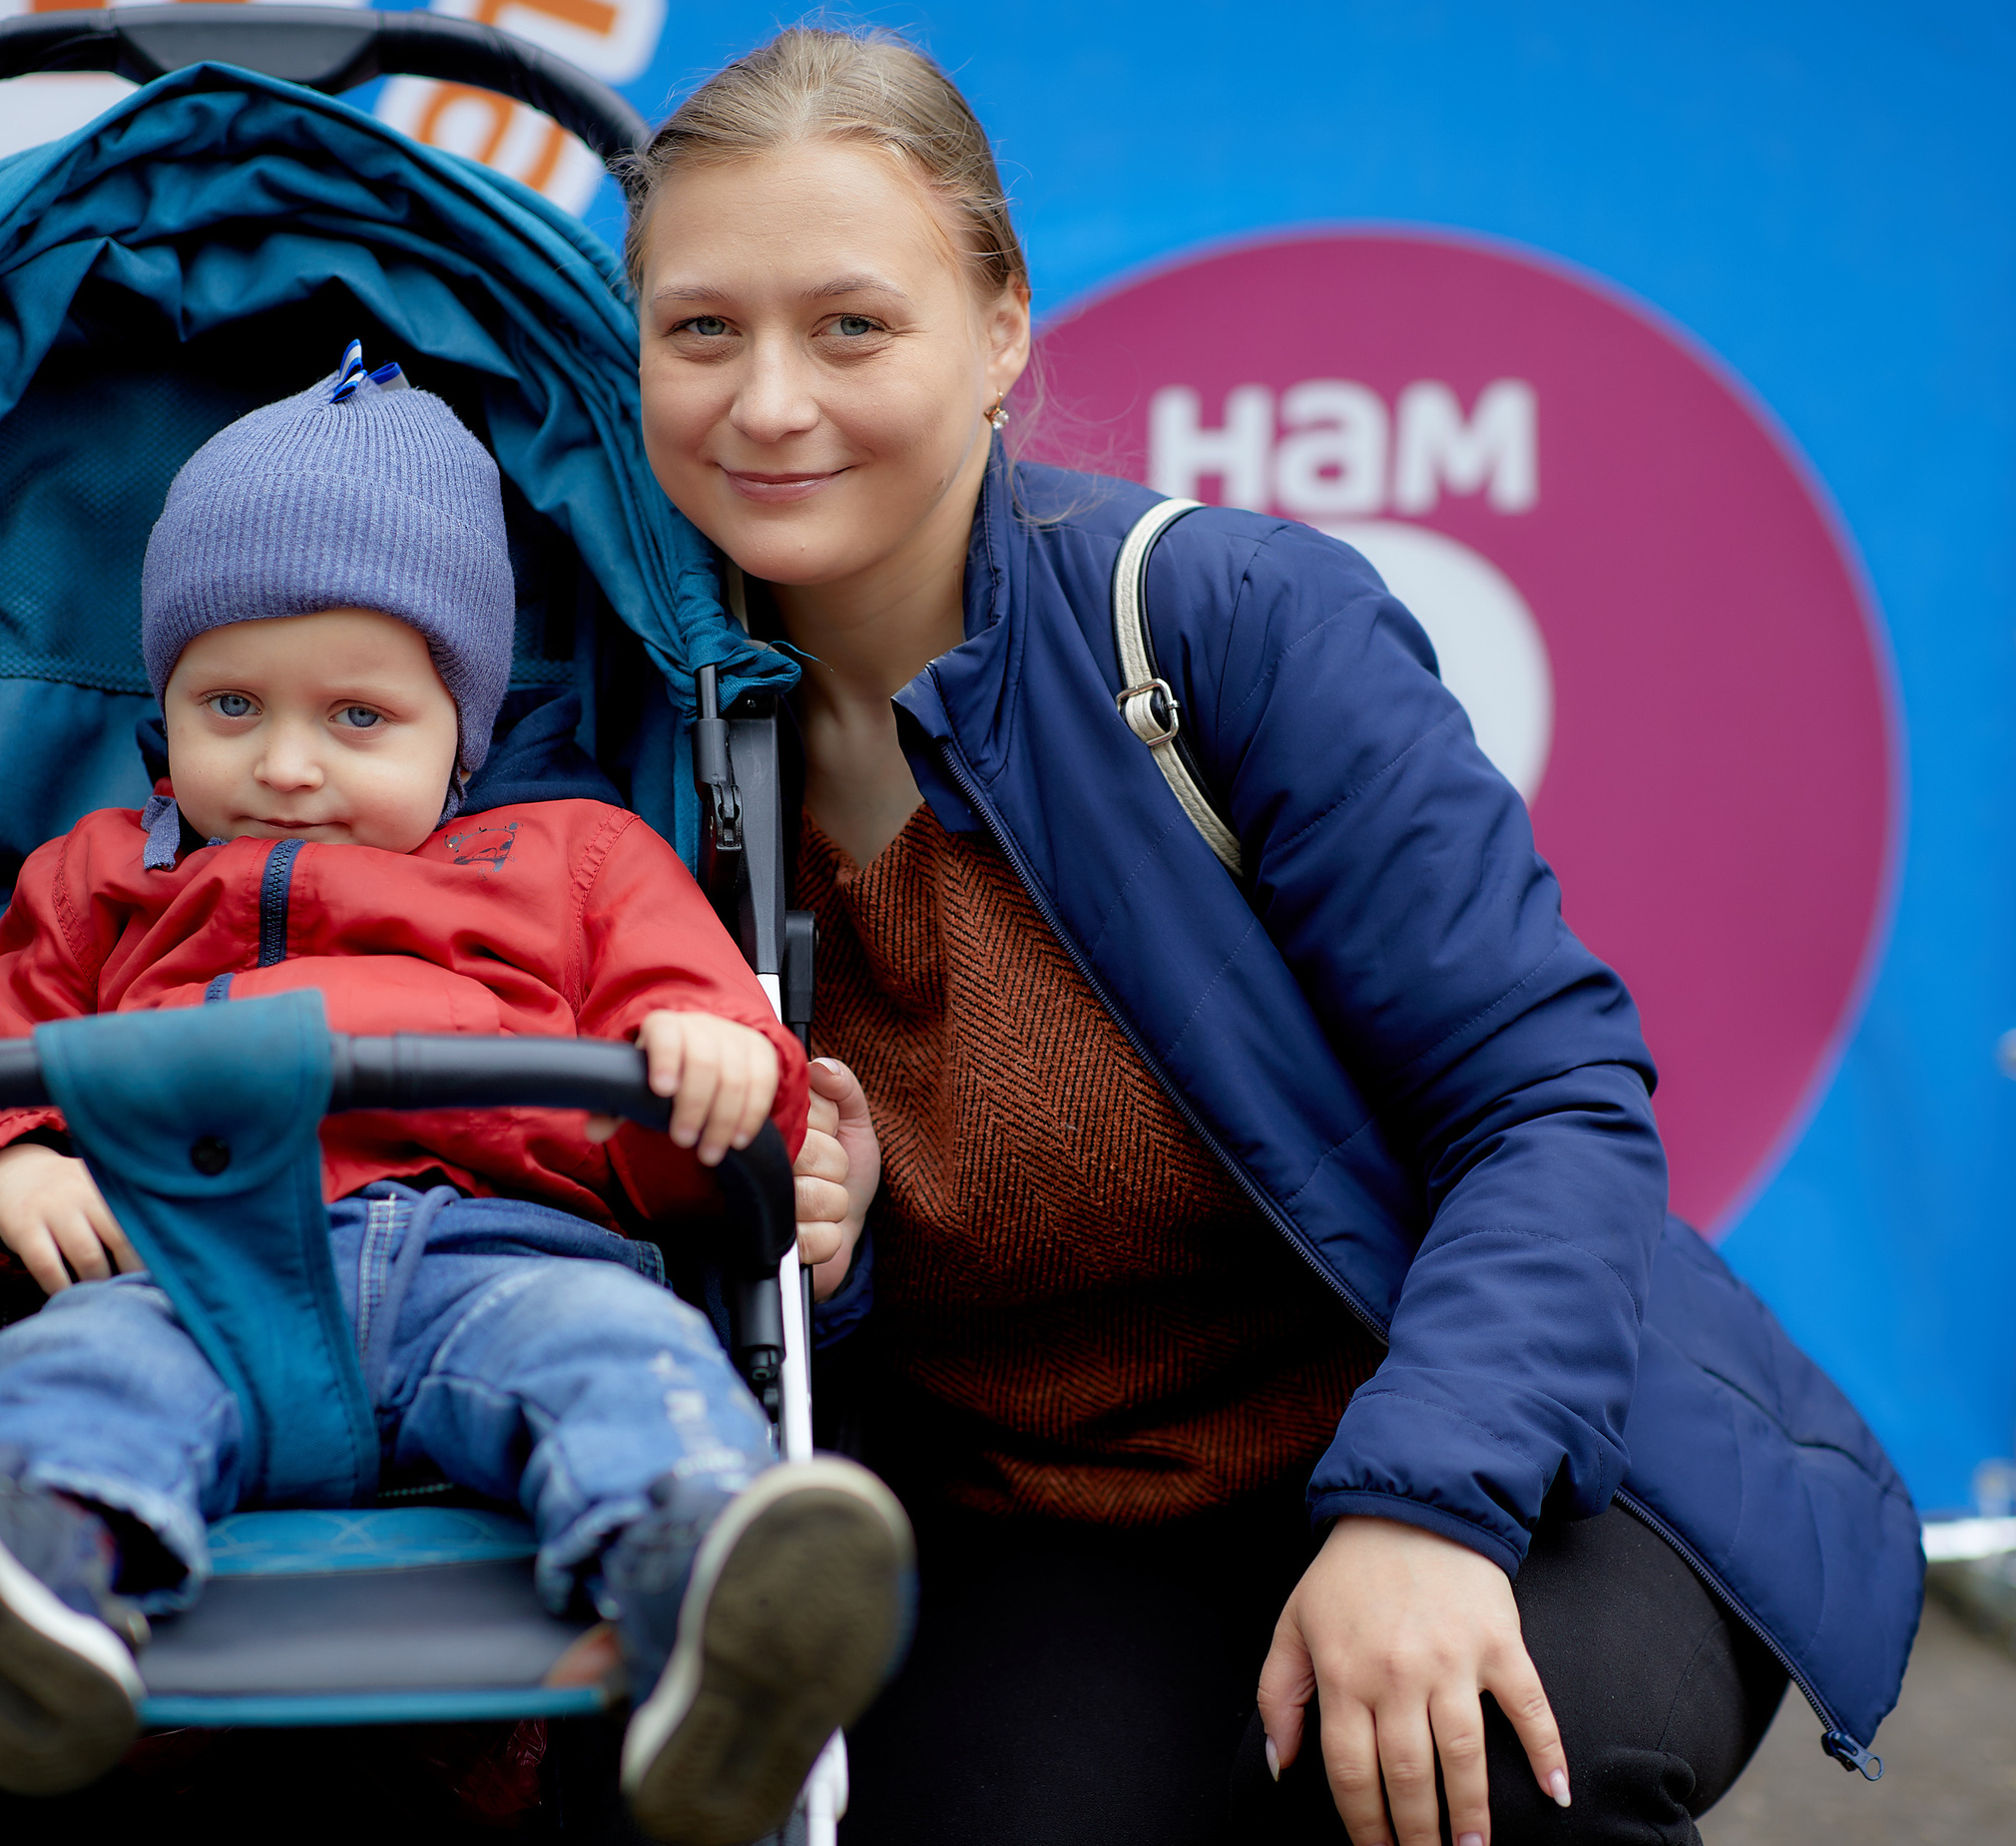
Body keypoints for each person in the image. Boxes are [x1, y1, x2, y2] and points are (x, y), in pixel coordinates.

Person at [632, 28, 1921, 1846]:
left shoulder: (1228, 622)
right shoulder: (633, 742)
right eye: (703, 329)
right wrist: (812, 1247)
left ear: (1001, 333)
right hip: (1050, 1520)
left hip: (1500, 1433)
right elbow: (704, 1284)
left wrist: (1421, 1509)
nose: (769, 401)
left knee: (1465, 1770)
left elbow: (1549, 1107)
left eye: (850, 325)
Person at [0, 345, 913, 1846]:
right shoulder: (105, 876)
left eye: (359, 717)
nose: (287, 764)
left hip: (500, 1256)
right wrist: (5, 1171)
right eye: (228, 703)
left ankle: (706, 1602)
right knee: (74, 1381)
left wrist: (710, 1063)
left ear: (462, 727)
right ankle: (21, 1601)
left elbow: (706, 1060)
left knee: (625, 1358)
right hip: (187, 1268)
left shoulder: (572, 857)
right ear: (161, 705)